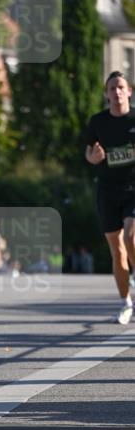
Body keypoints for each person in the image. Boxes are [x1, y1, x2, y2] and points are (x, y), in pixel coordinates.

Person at [85, 70, 135, 324]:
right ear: (106, 94)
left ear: (129, 92)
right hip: (107, 191)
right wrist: (93, 158)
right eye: (112, 88)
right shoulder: (98, 122)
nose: (116, 92)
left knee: (131, 236)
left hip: (134, 189)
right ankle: (126, 302)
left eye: (121, 87)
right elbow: (88, 153)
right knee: (117, 252)